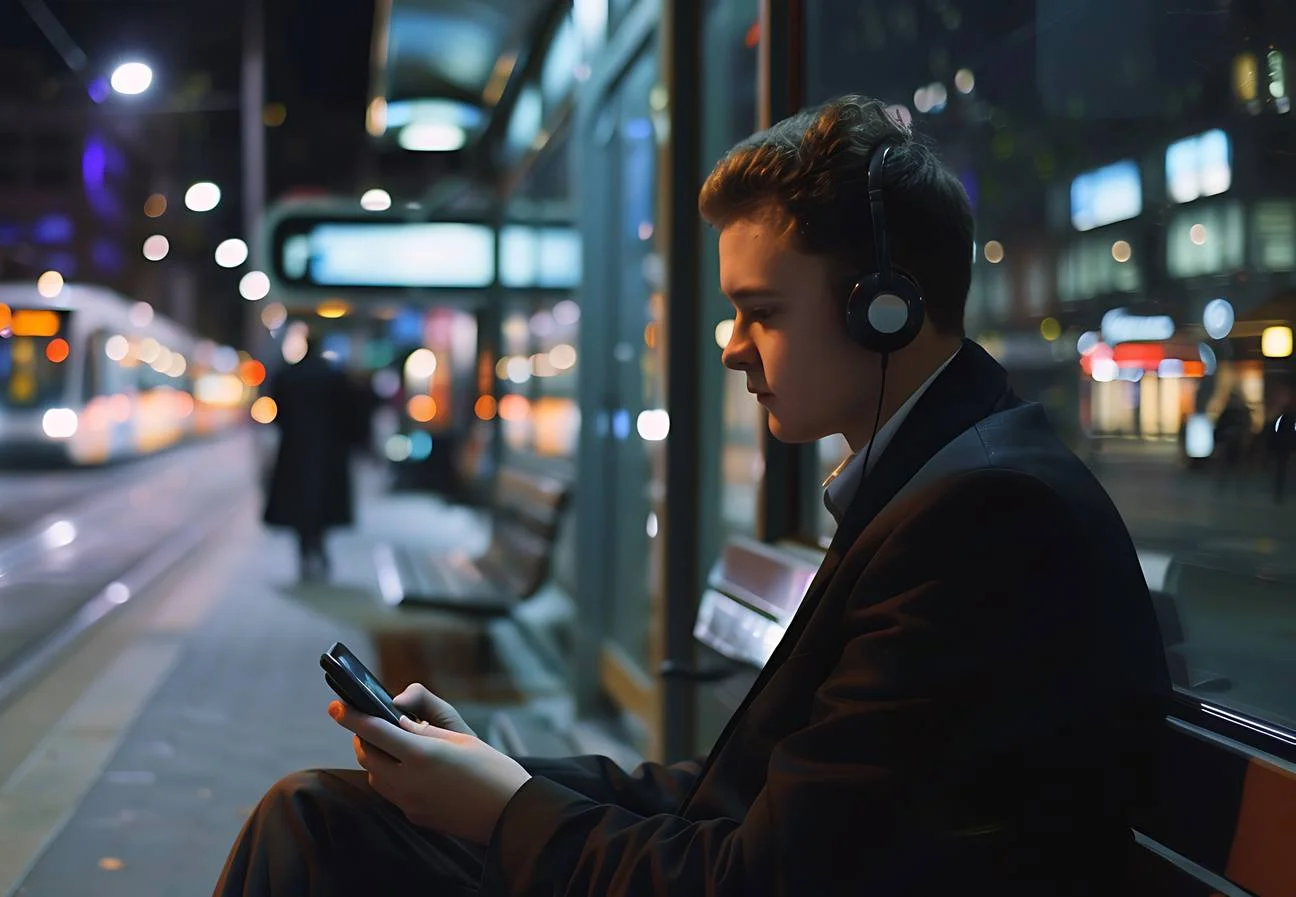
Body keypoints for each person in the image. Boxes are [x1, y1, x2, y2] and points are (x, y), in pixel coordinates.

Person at [214, 96, 1171, 896]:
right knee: (326, 817)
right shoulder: (940, 475)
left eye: (762, 312)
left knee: (318, 831)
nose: (730, 344)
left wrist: (504, 807)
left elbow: (761, 873)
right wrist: (498, 773)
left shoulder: (985, 520)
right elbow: (739, 795)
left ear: (886, 308)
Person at [261, 339, 362, 580]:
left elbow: (278, 412)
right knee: (322, 504)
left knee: (299, 504)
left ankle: (306, 551)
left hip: (294, 450)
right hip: (329, 452)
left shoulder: (288, 375)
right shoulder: (334, 377)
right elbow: (349, 414)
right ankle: (318, 548)